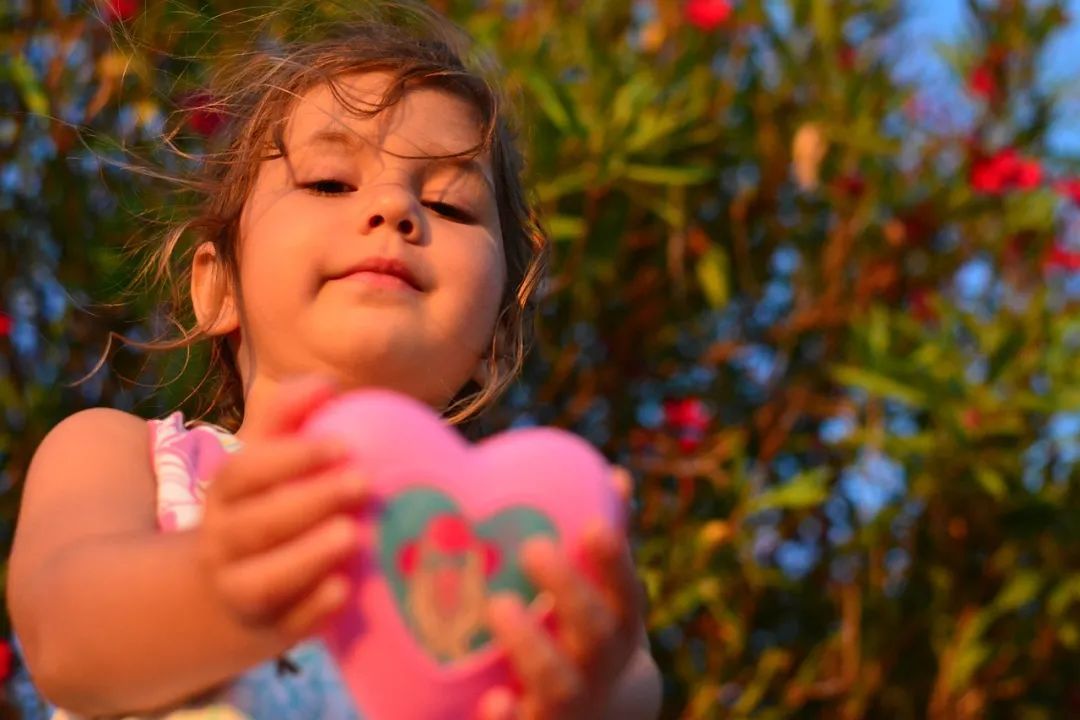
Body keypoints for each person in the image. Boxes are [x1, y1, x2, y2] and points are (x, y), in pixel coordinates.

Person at [6, 3, 662, 719]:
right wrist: (213, 587)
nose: (393, 208)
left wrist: (588, 685)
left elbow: (631, 681)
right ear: (216, 284)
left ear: (500, 336)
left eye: (448, 203)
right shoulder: (124, 454)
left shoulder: (510, 538)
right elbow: (63, 635)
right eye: (327, 182)